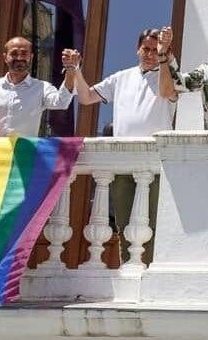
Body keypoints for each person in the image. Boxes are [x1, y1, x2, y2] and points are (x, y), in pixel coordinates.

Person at [69, 26, 178, 265]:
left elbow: (168, 91)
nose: (150, 53)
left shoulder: (168, 74)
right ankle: (127, 270)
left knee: (151, 222)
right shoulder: (121, 78)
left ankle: (149, 272)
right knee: (124, 221)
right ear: (137, 49)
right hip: (122, 162)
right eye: (146, 49)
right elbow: (86, 97)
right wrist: (75, 70)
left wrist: (165, 55)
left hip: (155, 163)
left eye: (154, 49)